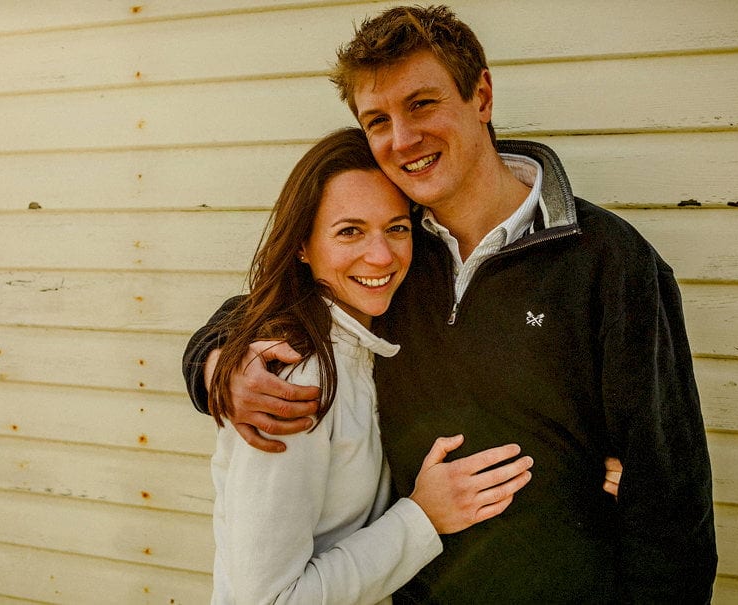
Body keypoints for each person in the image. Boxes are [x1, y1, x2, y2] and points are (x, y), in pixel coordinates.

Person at [185, 5, 717, 602]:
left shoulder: (609, 262)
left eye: (422, 103)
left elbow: (671, 501)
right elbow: (281, 301)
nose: (402, 139)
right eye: (377, 119)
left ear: (481, 95)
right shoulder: (392, 258)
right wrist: (213, 361)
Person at [205, 127, 534, 604]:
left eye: (396, 228)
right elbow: (271, 600)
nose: (381, 256)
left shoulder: (376, 338)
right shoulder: (294, 375)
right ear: (302, 245)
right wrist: (422, 518)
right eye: (349, 231)